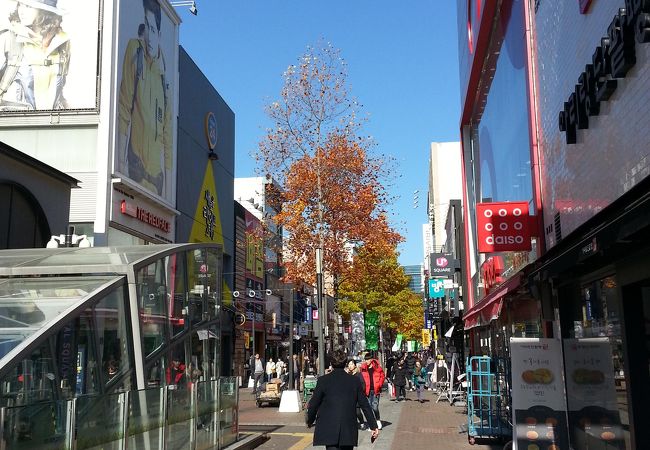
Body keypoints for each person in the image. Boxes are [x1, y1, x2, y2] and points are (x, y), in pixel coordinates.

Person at [117, 0, 172, 198]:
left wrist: (167, 193)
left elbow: (168, 136)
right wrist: (120, 166)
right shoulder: (135, 51)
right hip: (133, 171)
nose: (149, 35)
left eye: (153, 29)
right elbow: (123, 108)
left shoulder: (165, 74)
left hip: (157, 181)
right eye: (146, 26)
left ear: (160, 34)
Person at [0, 0, 70, 110]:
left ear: (44, 10)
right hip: (17, 123)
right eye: (20, 5)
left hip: (52, 124)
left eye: (28, 6)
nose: (21, 11)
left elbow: (59, 92)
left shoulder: (61, 42)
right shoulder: (8, 39)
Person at [306, 349, 379, 449]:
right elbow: (364, 404)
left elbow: (314, 403)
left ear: (331, 363)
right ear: (345, 363)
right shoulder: (354, 381)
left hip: (329, 427)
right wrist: (373, 425)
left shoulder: (323, 380)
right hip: (348, 428)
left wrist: (310, 420)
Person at [358, 351, 385, 429]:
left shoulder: (377, 367)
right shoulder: (363, 369)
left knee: (375, 407)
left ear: (371, 359)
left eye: (368, 359)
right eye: (366, 360)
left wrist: (379, 384)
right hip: (368, 391)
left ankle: (378, 420)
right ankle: (373, 424)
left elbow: (382, 376)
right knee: (369, 407)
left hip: (376, 390)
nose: (367, 361)